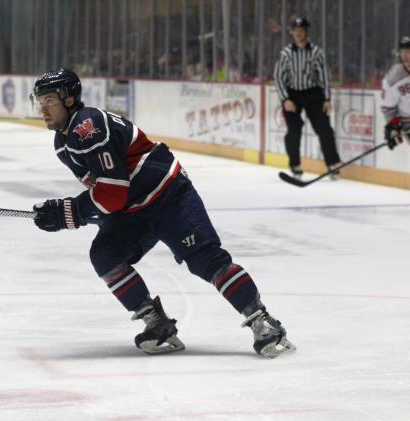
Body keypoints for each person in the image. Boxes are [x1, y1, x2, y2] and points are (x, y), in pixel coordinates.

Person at [30, 68, 295, 358]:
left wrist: (70, 212)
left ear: (69, 99)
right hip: (134, 210)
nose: (42, 108)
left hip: (168, 197)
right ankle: (157, 323)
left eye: (48, 100)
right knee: (105, 254)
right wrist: (71, 214)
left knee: (205, 260)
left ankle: (262, 320)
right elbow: (107, 196)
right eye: (39, 101)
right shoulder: (63, 143)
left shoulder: (87, 125)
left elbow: (113, 192)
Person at [274, 17, 342, 181]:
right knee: (294, 130)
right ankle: (295, 165)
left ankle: (332, 164)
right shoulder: (286, 54)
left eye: (301, 31)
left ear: (306, 32)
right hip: (292, 95)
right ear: (292, 33)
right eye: (296, 31)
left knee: (324, 128)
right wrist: (285, 99)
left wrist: (326, 98)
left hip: (313, 93)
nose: (298, 34)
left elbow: (324, 76)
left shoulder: (316, 52)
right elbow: (278, 77)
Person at [381, 36, 410, 150]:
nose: (405, 57)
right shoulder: (393, 79)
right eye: (403, 53)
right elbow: (388, 109)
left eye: (408, 52)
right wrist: (393, 127)